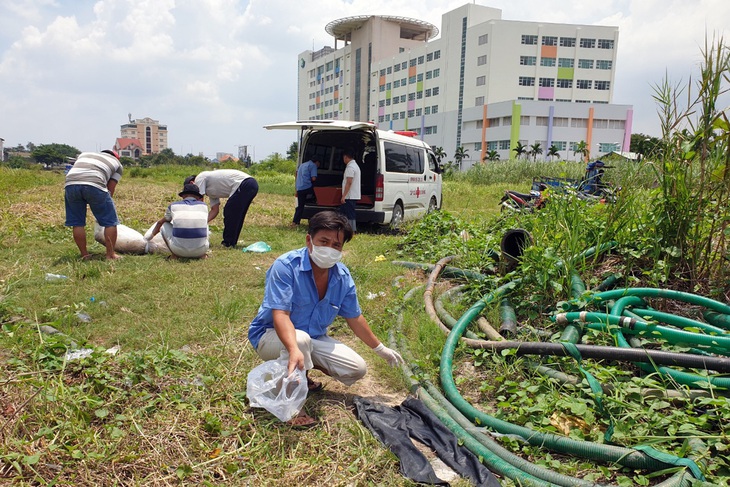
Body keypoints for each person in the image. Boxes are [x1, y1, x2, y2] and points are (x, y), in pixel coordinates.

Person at [248, 211, 402, 426]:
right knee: (300, 340)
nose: (329, 249)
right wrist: (293, 349)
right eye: (324, 241)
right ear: (309, 240)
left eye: (336, 245)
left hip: (312, 338)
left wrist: (380, 349)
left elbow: (354, 317)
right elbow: (280, 315)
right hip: (270, 336)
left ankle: (303, 373)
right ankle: (292, 409)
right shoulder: (286, 266)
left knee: (356, 368)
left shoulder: (342, 277)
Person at [64, 149, 123, 260]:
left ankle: (84, 255)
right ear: (116, 157)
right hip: (94, 183)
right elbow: (110, 188)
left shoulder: (85, 154)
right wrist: (104, 206)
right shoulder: (118, 165)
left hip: (70, 184)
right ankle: (110, 255)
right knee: (110, 222)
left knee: (77, 223)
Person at [185, 169, 258, 248]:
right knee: (236, 215)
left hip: (245, 183)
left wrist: (193, 221)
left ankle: (228, 243)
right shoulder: (210, 192)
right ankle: (231, 243)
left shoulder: (199, 178)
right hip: (250, 185)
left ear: (192, 183)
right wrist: (202, 222)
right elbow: (215, 210)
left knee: (230, 211)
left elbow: (199, 202)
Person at [146, 183, 210, 259]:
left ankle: (174, 255)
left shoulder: (173, 205)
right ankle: (202, 254)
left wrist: (149, 238)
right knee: (204, 224)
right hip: (201, 250)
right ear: (198, 197)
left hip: (179, 251)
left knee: (164, 224)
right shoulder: (204, 206)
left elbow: (160, 222)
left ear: (183, 196)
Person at [292, 156, 320, 226]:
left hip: (299, 188)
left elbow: (296, 174)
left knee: (300, 206)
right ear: (317, 162)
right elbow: (313, 179)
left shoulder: (302, 165)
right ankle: (316, 201)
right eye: (318, 164)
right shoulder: (313, 165)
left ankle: (295, 222)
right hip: (307, 187)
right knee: (317, 191)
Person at [339, 149, 361, 233]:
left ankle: (352, 230)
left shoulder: (350, 167)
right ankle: (344, 228)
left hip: (349, 195)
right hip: (353, 194)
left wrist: (344, 196)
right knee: (343, 212)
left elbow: (349, 182)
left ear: (345, 157)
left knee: (350, 213)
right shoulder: (355, 166)